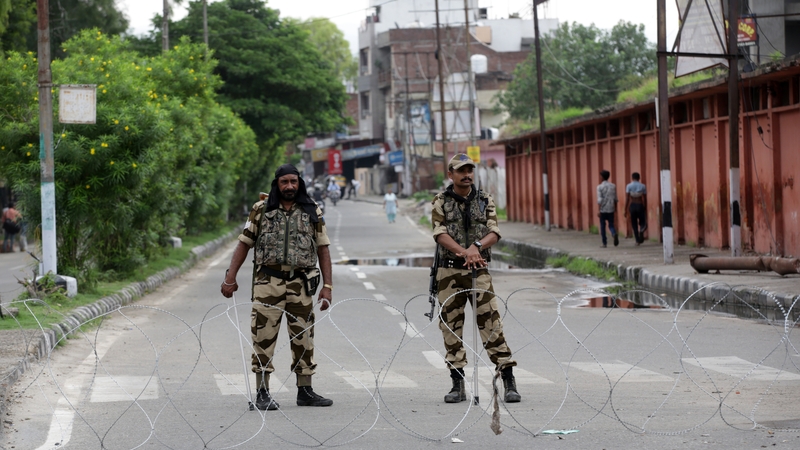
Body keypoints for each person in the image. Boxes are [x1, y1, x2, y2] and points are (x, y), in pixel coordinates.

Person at [221, 164, 334, 411]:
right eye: (284, 182)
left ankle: (305, 390)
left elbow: (323, 248)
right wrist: (231, 277)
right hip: (267, 283)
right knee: (263, 337)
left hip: (301, 284)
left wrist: (327, 286)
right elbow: (244, 243)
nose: (290, 186)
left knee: (303, 337)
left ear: (299, 183)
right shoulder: (261, 210)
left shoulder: (311, 210)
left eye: (294, 181)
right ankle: (262, 392)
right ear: (277, 184)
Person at [430, 153, 521, 404]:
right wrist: (464, 252)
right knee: (451, 328)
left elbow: (494, 231)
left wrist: (475, 248)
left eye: (470, 169)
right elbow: (439, 233)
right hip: (449, 272)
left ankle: (508, 379)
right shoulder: (440, 201)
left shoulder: (484, 200)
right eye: (461, 170)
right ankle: (457, 384)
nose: (466, 174)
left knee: (491, 324)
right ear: (451, 174)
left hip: (478, 271)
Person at [624, 172, 648, 245]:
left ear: (632, 178)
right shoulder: (643, 186)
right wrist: (645, 207)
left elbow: (627, 198)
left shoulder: (628, 186)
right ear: (639, 178)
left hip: (632, 205)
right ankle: (641, 229)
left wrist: (625, 209)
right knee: (643, 221)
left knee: (634, 223)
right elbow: (644, 198)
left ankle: (637, 240)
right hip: (640, 204)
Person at [596, 170, 619, 248]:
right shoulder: (613, 186)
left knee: (603, 226)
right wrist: (615, 209)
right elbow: (615, 199)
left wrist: (599, 210)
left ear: (602, 177)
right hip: (611, 208)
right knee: (611, 225)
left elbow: (599, 200)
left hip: (603, 209)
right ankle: (613, 233)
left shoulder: (599, 187)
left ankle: (604, 243)